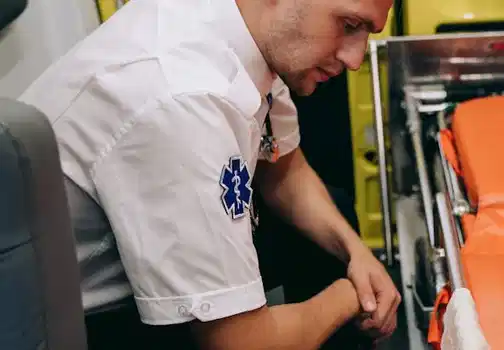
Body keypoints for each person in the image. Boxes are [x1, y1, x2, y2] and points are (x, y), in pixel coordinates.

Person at [17, 0, 399, 348]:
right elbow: (240, 344)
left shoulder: (253, 28)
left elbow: (282, 166)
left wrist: (358, 254)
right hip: (71, 322)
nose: (355, 58)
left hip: (125, 255)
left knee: (334, 220)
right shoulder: (180, 98)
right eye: (349, 25)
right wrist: (350, 297)